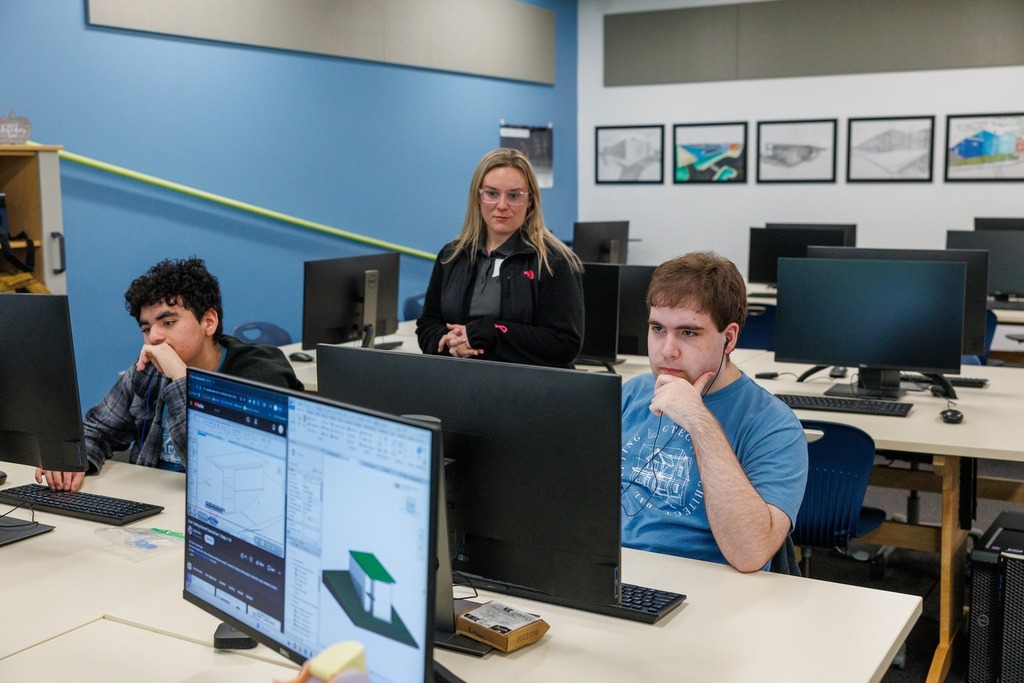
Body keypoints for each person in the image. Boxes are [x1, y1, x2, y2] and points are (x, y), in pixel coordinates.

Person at [36, 257, 303, 491]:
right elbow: (98, 429)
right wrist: (71, 461)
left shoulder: (258, 374)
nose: (154, 337)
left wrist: (181, 379)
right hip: (152, 516)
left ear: (208, 322)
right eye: (146, 328)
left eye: (168, 322)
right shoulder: (149, 371)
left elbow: (221, 474)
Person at [619, 251, 807, 572]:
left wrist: (699, 420)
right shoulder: (632, 394)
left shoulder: (773, 425)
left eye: (688, 333)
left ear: (728, 338)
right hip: (617, 572)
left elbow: (750, 553)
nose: (667, 351)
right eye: (658, 329)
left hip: (706, 589)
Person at [415, 148, 584, 368]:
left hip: (527, 390)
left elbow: (565, 344)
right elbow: (428, 324)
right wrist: (450, 343)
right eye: (492, 193)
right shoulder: (452, 255)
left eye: (514, 195)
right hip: (459, 382)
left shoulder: (554, 261)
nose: (502, 205)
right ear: (478, 197)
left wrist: (488, 332)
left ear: (530, 200)